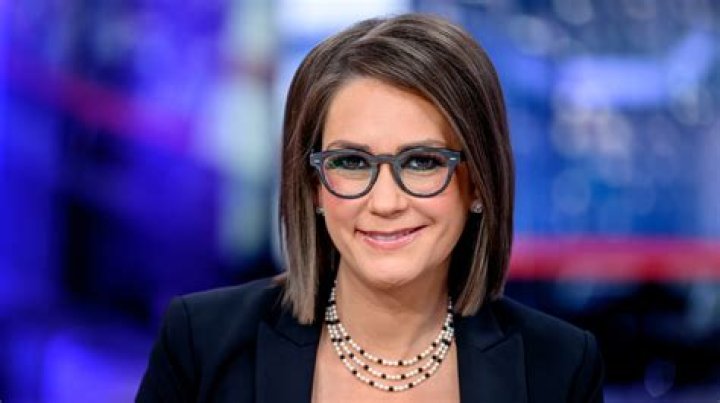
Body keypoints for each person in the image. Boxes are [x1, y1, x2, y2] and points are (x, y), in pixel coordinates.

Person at [136, 13, 604, 402]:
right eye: (352, 163)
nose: (385, 202)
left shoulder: (559, 367)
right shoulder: (201, 343)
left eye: (422, 162)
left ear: (479, 183)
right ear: (314, 185)